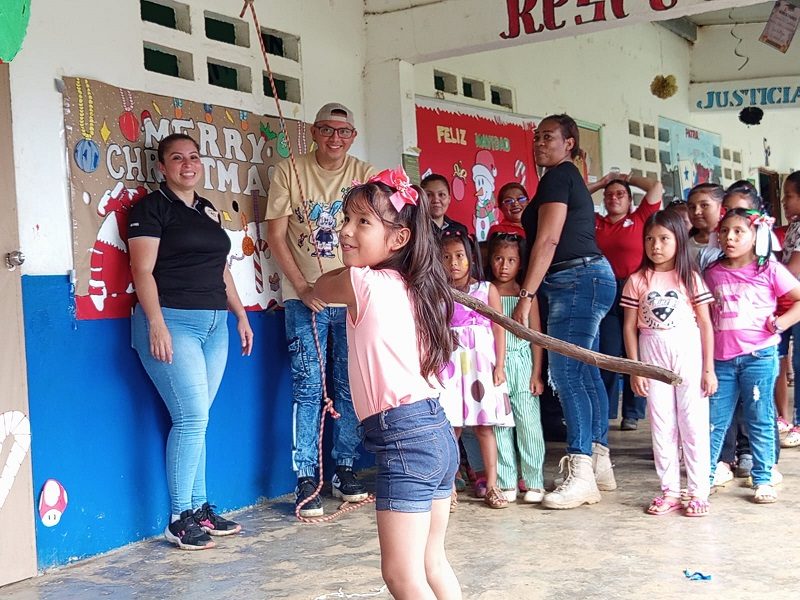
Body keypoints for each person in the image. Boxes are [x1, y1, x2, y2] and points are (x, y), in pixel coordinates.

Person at [311, 168, 461, 600]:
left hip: (404, 441)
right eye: (346, 219)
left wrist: (343, 267)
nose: (345, 231)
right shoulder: (419, 287)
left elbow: (321, 286)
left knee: (402, 576)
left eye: (362, 222)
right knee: (432, 561)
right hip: (436, 434)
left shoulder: (362, 282)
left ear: (398, 239)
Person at [128, 133, 254, 550]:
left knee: (200, 419)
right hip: (173, 322)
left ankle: (199, 509)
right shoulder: (150, 209)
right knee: (191, 419)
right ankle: (179, 517)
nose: (187, 164)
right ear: (161, 168)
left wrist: (240, 315)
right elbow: (142, 272)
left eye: (193, 157)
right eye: (177, 158)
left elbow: (222, 270)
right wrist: (156, 323)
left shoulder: (205, 210)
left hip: (216, 324)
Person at [266, 103, 374, 517]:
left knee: (351, 386)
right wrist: (301, 286)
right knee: (309, 388)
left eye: (344, 132)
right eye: (327, 130)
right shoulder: (290, 171)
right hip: (305, 299)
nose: (335, 138)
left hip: (354, 299)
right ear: (313, 132)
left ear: (352, 137)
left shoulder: (365, 175)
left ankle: (344, 469)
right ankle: (307, 478)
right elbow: (275, 235)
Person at [512, 114, 616, 509]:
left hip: (577, 279)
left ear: (569, 142)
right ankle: (598, 464)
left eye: (549, 137)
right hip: (586, 279)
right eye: (536, 137)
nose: (540, 143)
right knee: (585, 369)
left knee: (567, 372)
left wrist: (526, 295)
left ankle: (581, 469)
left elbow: (549, 237)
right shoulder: (564, 176)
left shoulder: (559, 175)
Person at [621, 210, 716, 516]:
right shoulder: (637, 280)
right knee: (661, 425)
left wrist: (708, 368)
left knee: (693, 424)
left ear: (679, 240)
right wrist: (636, 368)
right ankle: (670, 490)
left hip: (687, 353)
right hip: (652, 356)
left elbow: (705, 323)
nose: (656, 245)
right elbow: (629, 327)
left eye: (664, 238)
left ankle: (698, 490)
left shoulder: (690, 278)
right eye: (649, 239)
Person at [704, 208, 800, 504]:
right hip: (721, 360)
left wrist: (781, 323)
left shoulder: (769, 269)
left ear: (757, 235)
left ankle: (762, 476)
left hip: (759, 356)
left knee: (760, 417)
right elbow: (705, 314)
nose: (729, 238)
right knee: (714, 420)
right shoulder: (712, 273)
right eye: (724, 232)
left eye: (738, 232)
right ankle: (702, 477)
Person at [439, 230, 513, 509]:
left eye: (459, 256)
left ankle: (492, 485)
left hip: (482, 369)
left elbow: (498, 328)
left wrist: (500, 365)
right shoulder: (439, 291)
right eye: (446, 257)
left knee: (484, 427)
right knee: (452, 428)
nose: (453, 263)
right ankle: (449, 489)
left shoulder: (486, 290)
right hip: (450, 369)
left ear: (471, 258)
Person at [591, 171, 663, 431]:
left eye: (620, 194)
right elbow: (574, 199)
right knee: (609, 350)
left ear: (630, 200)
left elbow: (656, 186)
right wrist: (601, 181)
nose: (614, 198)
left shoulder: (640, 218)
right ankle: (608, 409)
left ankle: (633, 412)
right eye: (609, 195)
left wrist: (627, 177)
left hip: (638, 289)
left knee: (638, 350)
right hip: (607, 290)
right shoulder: (597, 222)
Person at [488, 232, 546, 503]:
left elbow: (537, 337)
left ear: (520, 263)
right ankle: (506, 481)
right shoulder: (486, 293)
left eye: (511, 260)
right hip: (494, 365)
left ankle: (534, 481)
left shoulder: (527, 297)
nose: (504, 265)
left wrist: (537, 373)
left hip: (522, 363)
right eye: (499, 258)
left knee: (528, 423)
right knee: (500, 423)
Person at [779, 172, 800, 448]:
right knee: (781, 361)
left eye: (790, 196)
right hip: (787, 302)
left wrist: (763, 275)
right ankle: (785, 418)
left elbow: (794, 269)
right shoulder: (794, 226)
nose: (784, 201)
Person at [686, 183, 724, 270]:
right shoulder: (685, 245)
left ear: (722, 207)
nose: (696, 212)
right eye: (692, 207)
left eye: (704, 205)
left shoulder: (731, 242)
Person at [421, 173, 469, 238]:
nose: (435, 200)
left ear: (449, 199)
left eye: (441, 194)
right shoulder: (415, 229)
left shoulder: (460, 230)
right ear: (421, 199)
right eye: (428, 195)